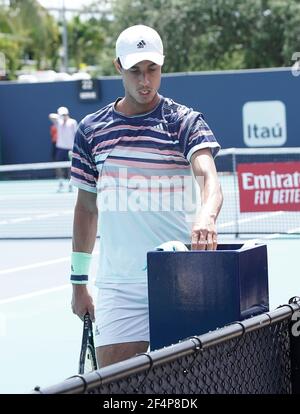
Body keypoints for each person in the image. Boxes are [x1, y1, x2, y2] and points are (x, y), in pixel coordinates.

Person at [70, 25, 223, 369]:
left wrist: (207, 215)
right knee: (118, 388)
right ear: (117, 68)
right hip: (119, 287)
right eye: (135, 71)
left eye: (152, 70)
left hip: (180, 281)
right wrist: (79, 283)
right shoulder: (91, 131)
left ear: (162, 66)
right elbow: (86, 209)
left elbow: (208, 177)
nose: (145, 81)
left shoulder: (183, 121)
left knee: (190, 384)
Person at [49, 106, 77, 192]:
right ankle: (60, 183)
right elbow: (50, 116)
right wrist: (59, 116)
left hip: (70, 148)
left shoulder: (72, 122)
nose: (64, 116)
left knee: (70, 167)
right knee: (58, 166)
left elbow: (76, 134)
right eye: (62, 114)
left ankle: (70, 185)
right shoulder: (58, 122)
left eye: (65, 114)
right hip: (60, 148)